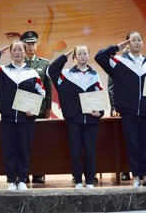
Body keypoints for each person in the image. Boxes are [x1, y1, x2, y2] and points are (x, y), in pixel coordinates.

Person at [95, 31, 146, 188]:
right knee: (133, 144)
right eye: (133, 40)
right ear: (128, 43)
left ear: (142, 43)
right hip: (128, 111)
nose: (136, 42)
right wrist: (116, 47)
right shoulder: (118, 61)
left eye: (139, 39)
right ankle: (136, 176)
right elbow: (99, 57)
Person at [0, 40, 46, 190]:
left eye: (20, 49)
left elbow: (42, 92)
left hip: (26, 120)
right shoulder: (2, 71)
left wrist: (33, 109)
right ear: (10, 53)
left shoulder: (32, 73)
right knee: (9, 150)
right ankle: (11, 180)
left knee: (24, 150)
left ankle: (22, 179)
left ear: (25, 52)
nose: (17, 52)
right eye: (15, 50)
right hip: (8, 119)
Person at [47, 45, 104, 189]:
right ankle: (78, 180)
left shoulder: (94, 74)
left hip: (91, 120)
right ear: (75, 57)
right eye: (79, 54)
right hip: (73, 120)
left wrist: (100, 112)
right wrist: (63, 57)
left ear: (88, 56)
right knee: (75, 150)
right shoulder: (66, 74)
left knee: (90, 151)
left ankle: (89, 180)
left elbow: (99, 94)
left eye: (85, 53)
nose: (82, 56)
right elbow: (51, 70)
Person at [20, 30, 52, 184]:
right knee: (23, 142)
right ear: (24, 46)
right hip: (23, 109)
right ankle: (24, 173)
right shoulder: (19, 64)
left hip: (39, 109)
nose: (31, 46)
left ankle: (38, 173)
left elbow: (48, 88)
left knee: (39, 142)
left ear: (36, 45)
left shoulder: (44, 64)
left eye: (33, 43)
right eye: (28, 44)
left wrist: (48, 108)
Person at [107, 75, 131, 182]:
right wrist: (114, 107)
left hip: (134, 108)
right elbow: (111, 89)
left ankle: (139, 171)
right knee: (122, 142)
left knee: (136, 140)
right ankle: (125, 170)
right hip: (119, 110)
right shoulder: (115, 69)